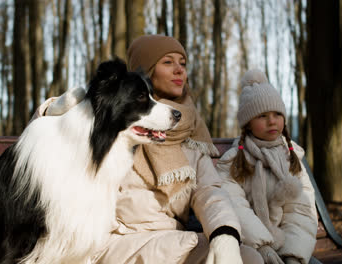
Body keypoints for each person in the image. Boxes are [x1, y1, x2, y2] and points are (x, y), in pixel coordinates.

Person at [33, 35, 264, 264]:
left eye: (182, 64)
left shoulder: (192, 136)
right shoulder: (114, 122)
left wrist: (225, 234)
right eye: (168, 62)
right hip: (115, 242)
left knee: (246, 257)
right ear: (147, 70)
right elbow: (46, 140)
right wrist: (53, 108)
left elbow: (210, 193)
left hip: (170, 239)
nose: (179, 70)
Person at [215, 69, 318, 264]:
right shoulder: (234, 161)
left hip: (290, 247)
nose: (272, 121)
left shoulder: (291, 158)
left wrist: (293, 254)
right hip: (247, 246)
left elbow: (301, 211)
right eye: (262, 116)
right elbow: (233, 206)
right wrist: (261, 245)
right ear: (248, 124)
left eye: (277, 114)